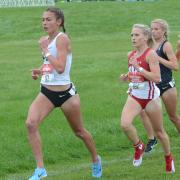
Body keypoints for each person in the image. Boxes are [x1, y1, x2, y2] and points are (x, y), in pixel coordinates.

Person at [25, 7, 102, 180]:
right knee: (31, 124)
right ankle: (40, 169)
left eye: (49, 19)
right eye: (43, 19)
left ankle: (96, 160)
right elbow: (50, 63)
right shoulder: (46, 40)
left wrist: (45, 50)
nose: (44, 23)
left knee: (80, 132)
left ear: (59, 21)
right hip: (46, 92)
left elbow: (60, 68)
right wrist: (39, 71)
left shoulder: (62, 39)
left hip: (66, 95)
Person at [120, 24, 175, 173]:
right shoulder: (130, 55)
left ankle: (168, 157)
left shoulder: (151, 54)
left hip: (151, 98)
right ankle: (138, 146)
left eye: (137, 35)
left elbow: (157, 78)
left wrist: (138, 68)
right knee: (125, 124)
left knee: (159, 132)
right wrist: (128, 76)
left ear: (146, 37)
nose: (133, 38)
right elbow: (135, 74)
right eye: (132, 35)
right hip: (135, 95)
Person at [140, 19, 180, 153]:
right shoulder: (149, 44)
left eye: (157, 29)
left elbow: (175, 66)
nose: (153, 31)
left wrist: (159, 59)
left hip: (167, 86)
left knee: (173, 117)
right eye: (152, 29)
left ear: (164, 31)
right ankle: (152, 139)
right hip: (153, 87)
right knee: (144, 112)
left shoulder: (166, 45)